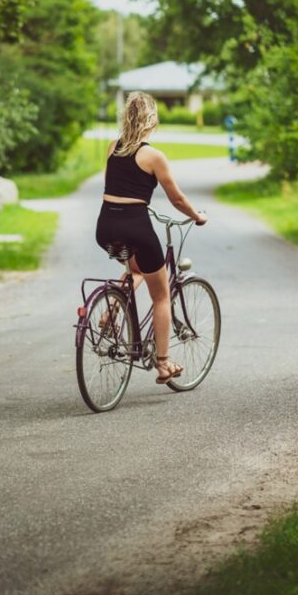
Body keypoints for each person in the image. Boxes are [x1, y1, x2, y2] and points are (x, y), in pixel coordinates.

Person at [95, 91, 208, 385]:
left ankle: (111, 307)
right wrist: (197, 216)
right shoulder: (154, 156)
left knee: (135, 269)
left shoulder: (112, 148)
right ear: (152, 122)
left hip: (106, 225)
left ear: (126, 118)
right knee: (160, 296)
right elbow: (177, 199)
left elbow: (116, 185)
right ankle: (163, 363)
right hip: (135, 226)